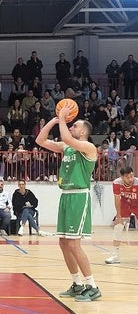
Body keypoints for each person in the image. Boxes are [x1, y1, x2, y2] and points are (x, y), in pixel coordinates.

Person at [36, 104, 101, 302]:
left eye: (76, 126)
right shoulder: (67, 147)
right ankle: (77, 283)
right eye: (70, 125)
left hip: (79, 196)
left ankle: (92, 285)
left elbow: (66, 137)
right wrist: (55, 121)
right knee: (63, 243)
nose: (72, 127)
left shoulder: (89, 148)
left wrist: (63, 119)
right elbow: (40, 140)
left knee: (73, 244)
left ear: (83, 132)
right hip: (66, 195)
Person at [106, 167, 138, 264]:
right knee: (118, 227)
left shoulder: (137, 183)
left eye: (131, 176)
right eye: (127, 177)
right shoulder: (117, 183)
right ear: (122, 177)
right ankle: (115, 256)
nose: (130, 179)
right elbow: (117, 199)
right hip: (125, 203)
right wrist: (118, 216)